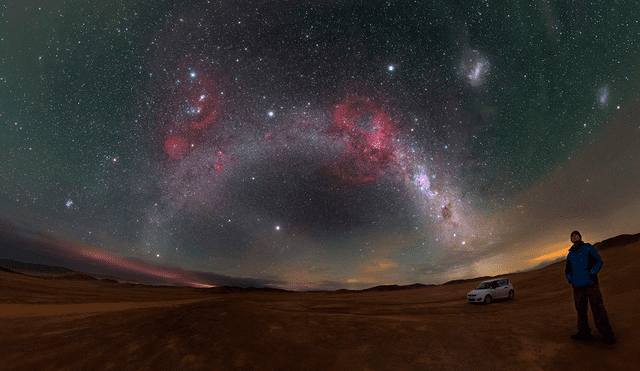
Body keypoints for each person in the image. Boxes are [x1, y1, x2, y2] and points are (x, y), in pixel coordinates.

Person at [565, 231, 616, 344]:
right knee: (581, 311)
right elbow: (568, 270)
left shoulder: (588, 248)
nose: (574, 236)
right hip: (577, 287)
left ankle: (607, 334)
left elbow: (598, 261)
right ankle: (584, 333)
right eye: (572, 236)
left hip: (591, 284)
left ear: (580, 236)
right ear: (571, 239)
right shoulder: (570, 255)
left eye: (576, 234)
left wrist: (592, 273)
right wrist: (570, 279)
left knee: (598, 309)